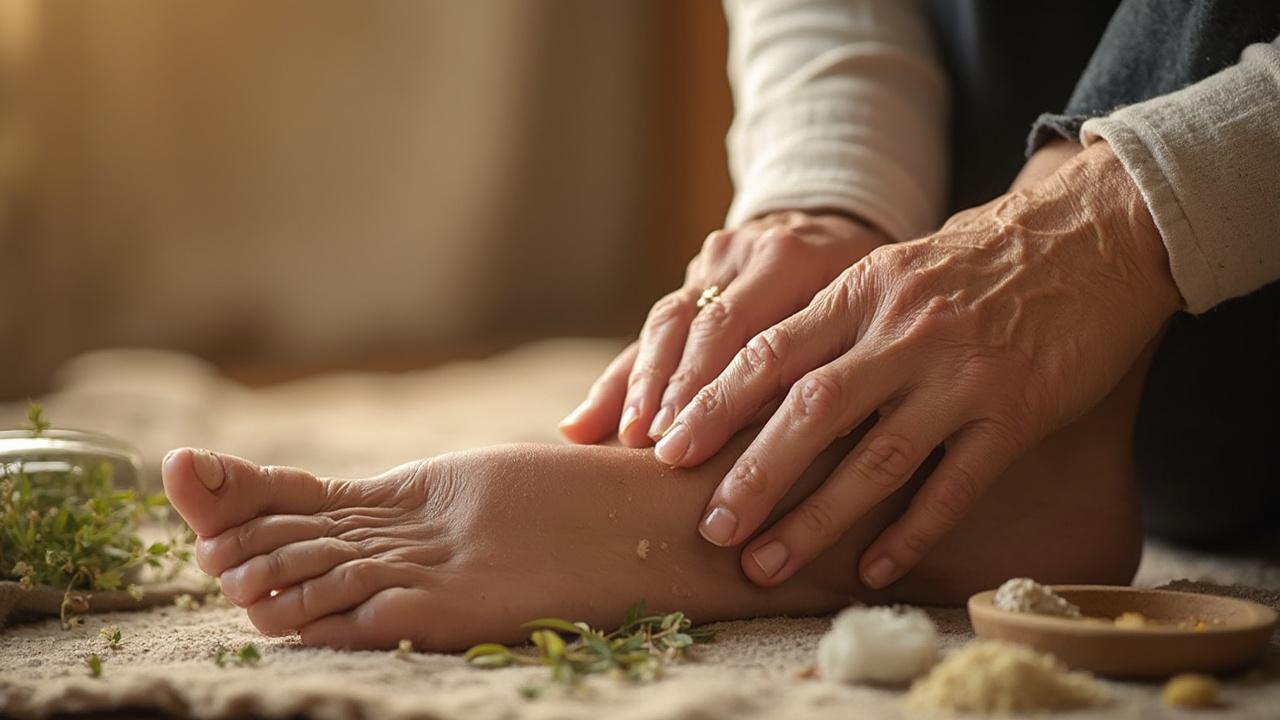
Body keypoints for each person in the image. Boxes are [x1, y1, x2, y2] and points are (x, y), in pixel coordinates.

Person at [164, 0, 1279, 650]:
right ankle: (944, 453)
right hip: (1056, 350)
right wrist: (828, 192)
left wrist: (1104, 227)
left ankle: (977, 473)